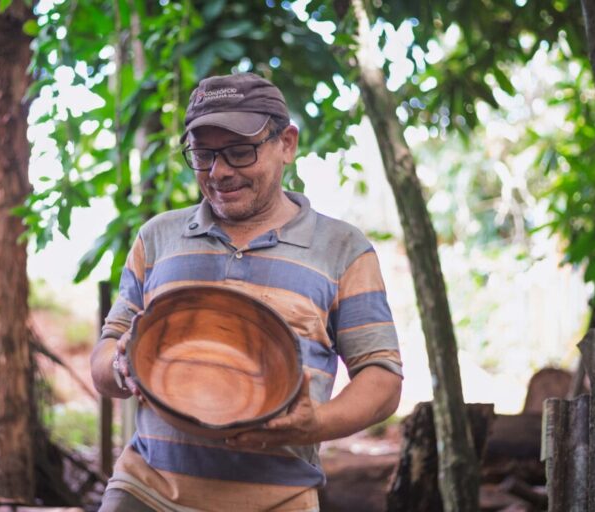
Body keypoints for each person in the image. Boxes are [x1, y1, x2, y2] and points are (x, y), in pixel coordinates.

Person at [90, 72, 403, 511]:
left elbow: (382, 378)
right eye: (203, 155)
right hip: (145, 493)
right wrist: (121, 364)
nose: (219, 172)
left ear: (287, 144)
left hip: (278, 500)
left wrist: (314, 423)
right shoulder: (158, 237)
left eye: (240, 152)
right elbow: (105, 356)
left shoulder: (342, 249)